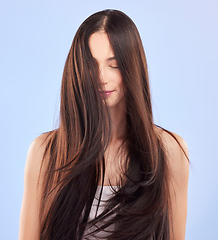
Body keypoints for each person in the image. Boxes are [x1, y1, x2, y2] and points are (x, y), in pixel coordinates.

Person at [19, 9, 189, 240]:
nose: (101, 77)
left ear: (132, 68)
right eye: (91, 64)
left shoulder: (169, 151)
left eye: (114, 64)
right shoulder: (46, 152)